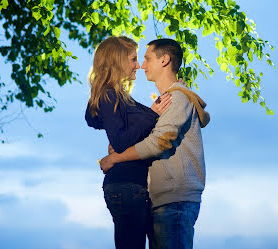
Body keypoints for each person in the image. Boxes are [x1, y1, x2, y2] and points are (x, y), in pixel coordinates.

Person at [100, 38, 210, 249]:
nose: (141, 65)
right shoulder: (168, 101)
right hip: (162, 199)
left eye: (147, 58)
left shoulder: (176, 99)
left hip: (175, 199)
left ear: (164, 60)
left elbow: (158, 142)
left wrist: (116, 157)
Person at [84, 36, 172, 249]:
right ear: (117, 61)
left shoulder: (120, 97)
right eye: (133, 59)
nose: (138, 66)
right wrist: (151, 114)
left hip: (135, 187)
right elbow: (121, 140)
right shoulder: (108, 94)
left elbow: (115, 132)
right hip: (126, 186)